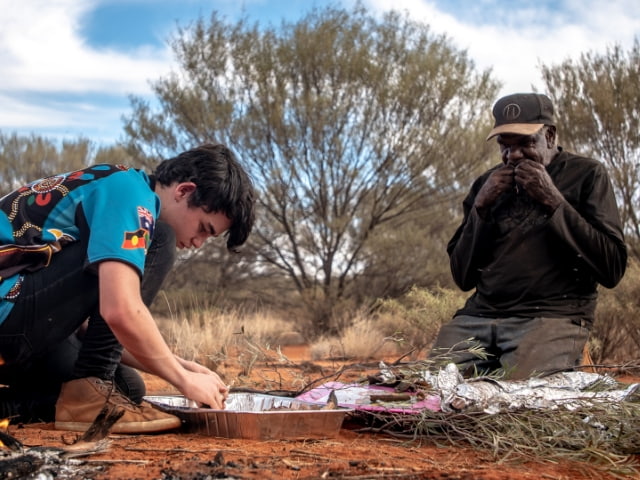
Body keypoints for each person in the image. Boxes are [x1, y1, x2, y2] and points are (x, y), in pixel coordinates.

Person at [0, 143, 255, 432]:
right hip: (8, 312)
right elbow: (119, 310)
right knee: (161, 237)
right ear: (184, 191)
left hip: (16, 318)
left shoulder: (118, 188)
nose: (198, 243)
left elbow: (86, 327)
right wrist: (185, 381)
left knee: (126, 387)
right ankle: (90, 393)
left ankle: (12, 407)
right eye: (203, 229)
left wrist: (179, 366)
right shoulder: (132, 196)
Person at [429, 93, 627, 380]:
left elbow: (612, 268)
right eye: (505, 146)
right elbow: (462, 276)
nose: (514, 155)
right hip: (479, 316)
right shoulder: (486, 185)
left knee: (519, 402)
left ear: (549, 135)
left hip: (551, 316)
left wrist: (553, 200)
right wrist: (481, 209)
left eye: (525, 143)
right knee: (429, 391)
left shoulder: (587, 174)